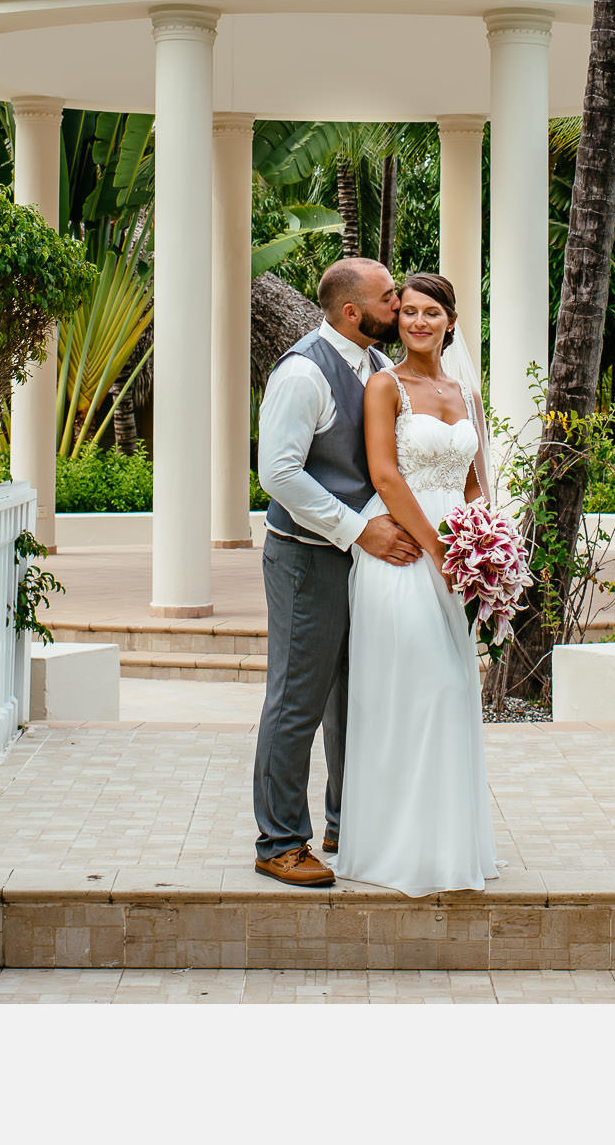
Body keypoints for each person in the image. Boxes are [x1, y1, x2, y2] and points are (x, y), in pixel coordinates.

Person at [250, 257, 420, 887]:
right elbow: (279, 474)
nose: (399, 304)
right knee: (297, 698)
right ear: (353, 312)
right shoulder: (302, 373)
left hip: (363, 563)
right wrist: (359, 530)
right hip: (305, 558)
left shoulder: (377, 367)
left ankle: (345, 824)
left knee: (354, 700)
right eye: (389, 296)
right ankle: (279, 842)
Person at [331, 270, 498, 896]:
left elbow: (475, 482)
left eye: (433, 313)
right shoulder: (384, 386)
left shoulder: (466, 395)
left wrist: (485, 553)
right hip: (403, 555)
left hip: (456, 561)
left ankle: (447, 850)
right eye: (409, 313)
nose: (419, 322)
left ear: (452, 321)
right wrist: (439, 550)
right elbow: (386, 476)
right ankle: (394, 851)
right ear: (397, 321)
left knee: (455, 695)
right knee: (423, 693)